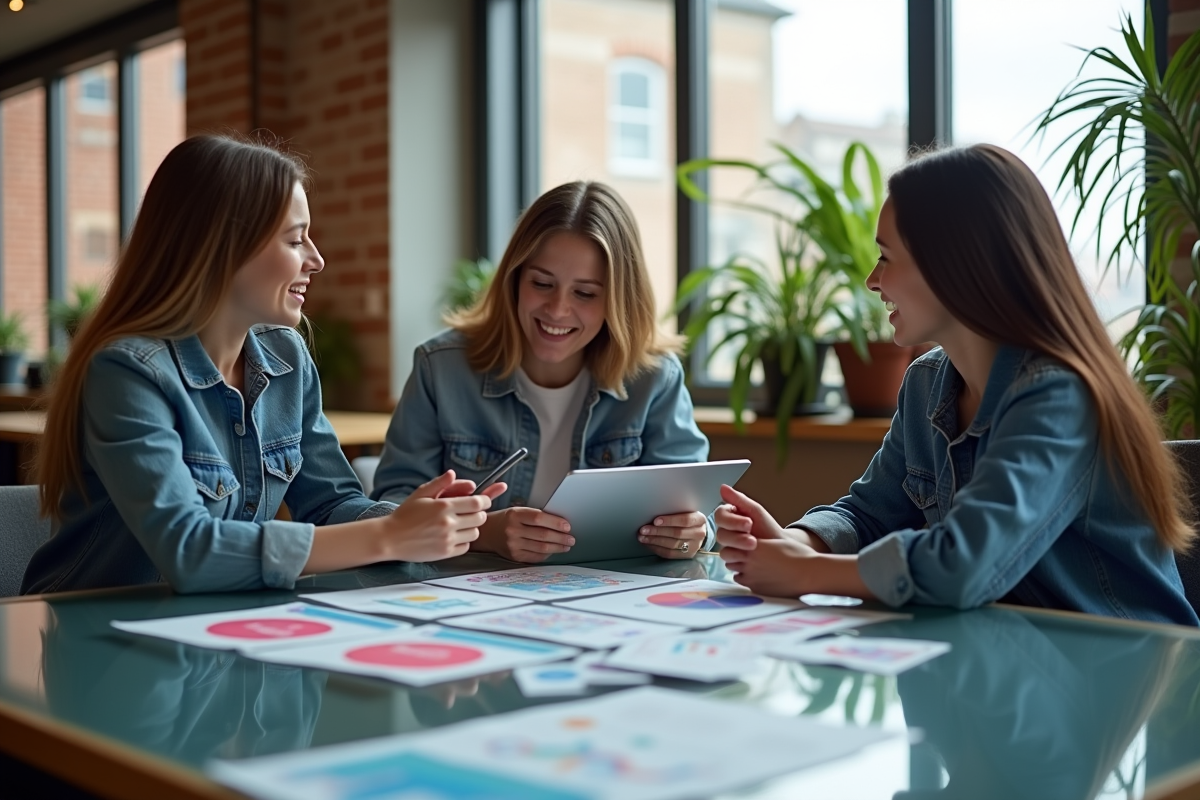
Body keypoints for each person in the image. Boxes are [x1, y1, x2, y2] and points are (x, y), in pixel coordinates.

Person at [715, 144, 1199, 626]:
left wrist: (805, 572)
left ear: (955, 266)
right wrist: (793, 542)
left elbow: (964, 566)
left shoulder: (1059, 396)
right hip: (1018, 655)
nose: (872, 280)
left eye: (886, 258)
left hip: (1128, 663)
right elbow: (870, 514)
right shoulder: (926, 382)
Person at [23, 134, 502, 595]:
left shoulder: (287, 357)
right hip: (90, 628)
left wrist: (409, 521)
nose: (317, 260)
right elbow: (189, 551)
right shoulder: (128, 372)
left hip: (208, 628)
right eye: (295, 241)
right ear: (222, 249)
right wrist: (388, 536)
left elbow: (330, 503)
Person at [371, 181, 710, 563]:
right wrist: (484, 534)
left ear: (618, 298)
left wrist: (690, 535)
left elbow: (697, 511)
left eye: (585, 293)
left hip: (614, 588)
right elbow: (392, 509)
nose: (557, 309)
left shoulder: (655, 377)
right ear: (514, 278)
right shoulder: (441, 368)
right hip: (468, 585)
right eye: (542, 283)